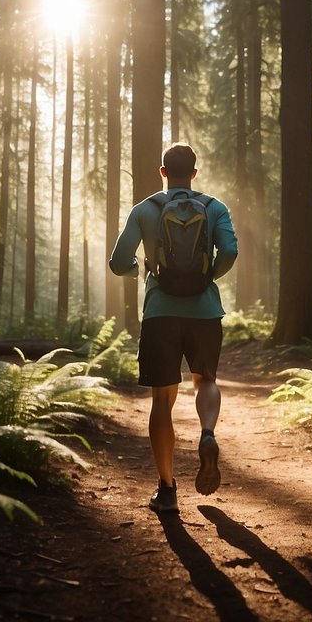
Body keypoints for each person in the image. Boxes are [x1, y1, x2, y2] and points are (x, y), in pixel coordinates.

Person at [109, 143, 238, 513]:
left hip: (160, 313)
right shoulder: (214, 208)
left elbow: (119, 262)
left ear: (162, 172)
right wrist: (208, 278)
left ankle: (166, 491)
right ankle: (208, 433)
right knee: (206, 380)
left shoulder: (145, 209)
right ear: (194, 173)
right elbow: (229, 252)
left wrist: (139, 271)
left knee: (162, 401)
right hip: (205, 311)